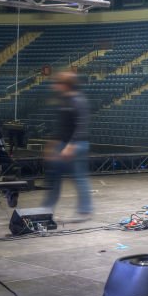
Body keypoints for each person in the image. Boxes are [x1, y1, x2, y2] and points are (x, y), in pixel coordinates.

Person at [45, 71, 93, 219]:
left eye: (58, 83)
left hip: (78, 144)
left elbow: (81, 125)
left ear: (66, 85)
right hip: (63, 144)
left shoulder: (78, 100)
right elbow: (61, 127)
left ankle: (85, 211)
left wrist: (71, 145)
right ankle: (47, 209)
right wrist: (53, 144)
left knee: (79, 177)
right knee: (54, 177)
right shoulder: (63, 100)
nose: (55, 86)